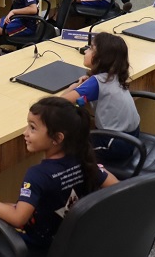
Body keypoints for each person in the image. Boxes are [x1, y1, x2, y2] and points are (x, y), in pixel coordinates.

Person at [0, 97, 118, 249]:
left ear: (57, 138)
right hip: (75, 235)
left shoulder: (37, 175)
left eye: (32, 128)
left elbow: (18, 219)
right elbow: (116, 187)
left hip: (43, 244)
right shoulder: (85, 160)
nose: (25, 133)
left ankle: (3, 256)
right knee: (7, 206)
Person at [60, 32, 140, 161]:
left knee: (64, 148)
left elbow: (58, 103)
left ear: (102, 58)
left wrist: (72, 87)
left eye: (91, 48)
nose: (86, 51)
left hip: (114, 144)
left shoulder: (96, 83)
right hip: (131, 136)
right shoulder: (113, 75)